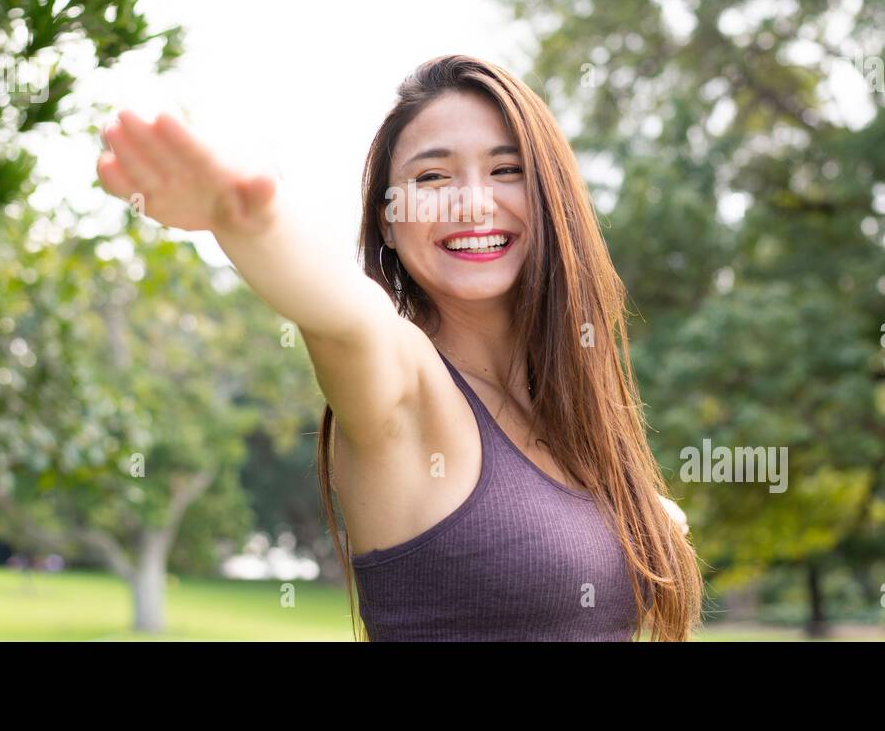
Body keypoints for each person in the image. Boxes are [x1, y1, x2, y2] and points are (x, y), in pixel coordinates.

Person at [96, 53, 702, 640]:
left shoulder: (578, 426)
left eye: (507, 170)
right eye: (432, 177)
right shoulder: (405, 381)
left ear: (551, 198)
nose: (472, 202)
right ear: (387, 219)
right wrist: (250, 221)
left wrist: (643, 521)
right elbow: (345, 318)